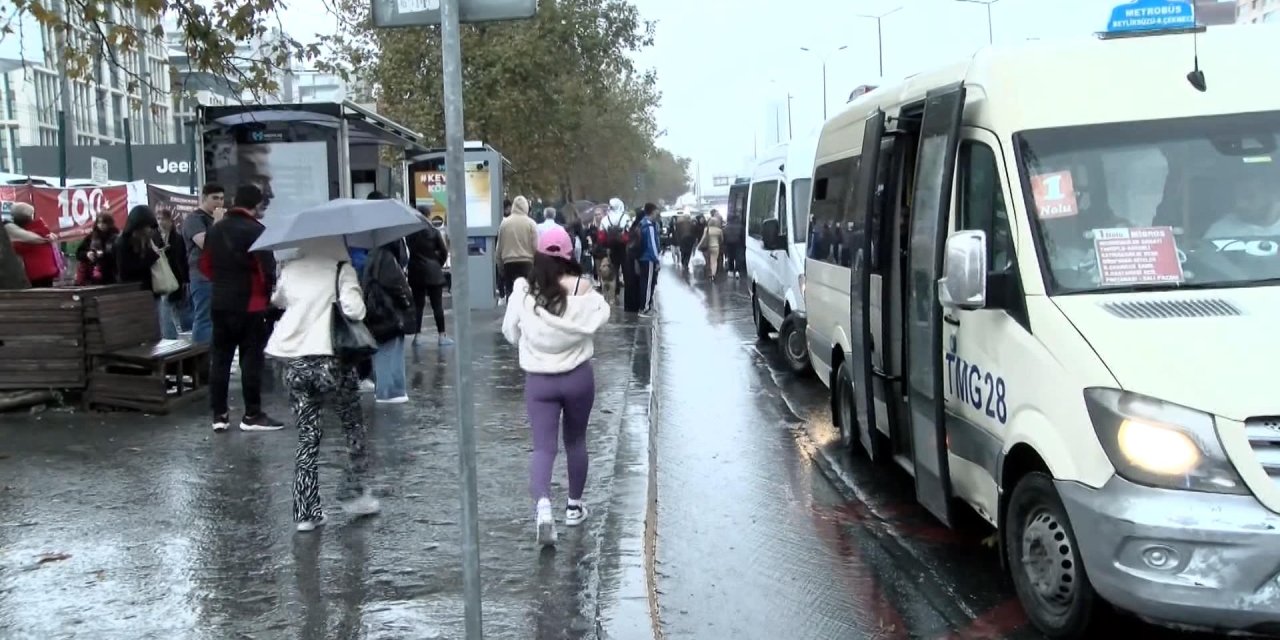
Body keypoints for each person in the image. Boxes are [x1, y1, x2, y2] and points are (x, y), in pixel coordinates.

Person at [501, 226, 610, 547]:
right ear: (569, 254)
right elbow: (601, 317)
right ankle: (574, 507)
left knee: (543, 447)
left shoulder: (524, 291)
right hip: (578, 377)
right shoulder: (583, 287)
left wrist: (530, 341)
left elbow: (510, 331)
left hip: (539, 382)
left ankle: (543, 508)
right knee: (576, 441)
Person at [265, 236, 379, 532]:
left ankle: (306, 512)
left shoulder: (292, 269)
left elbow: (278, 300)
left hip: (293, 362)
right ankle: (354, 493)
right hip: (331, 361)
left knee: (307, 435)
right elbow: (354, 311)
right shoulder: (342, 269)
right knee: (352, 425)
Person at [201, 184, 284, 433]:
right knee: (250, 360)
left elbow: (205, 267)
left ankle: (219, 415)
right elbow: (267, 272)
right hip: (251, 304)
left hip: (220, 302)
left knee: (221, 359)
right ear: (256, 205)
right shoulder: (257, 231)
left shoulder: (215, 230)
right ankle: (252, 414)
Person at [363, 236, 415, 403]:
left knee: (382, 352)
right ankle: (391, 391)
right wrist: (407, 302)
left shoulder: (372, 256)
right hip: (389, 314)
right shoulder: (387, 258)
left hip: (377, 314)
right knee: (391, 352)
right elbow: (398, 286)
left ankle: (386, 390)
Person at [183, 184, 226, 344]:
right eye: (215, 198)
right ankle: (201, 361)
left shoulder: (218, 219)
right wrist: (217, 222)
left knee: (217, 320)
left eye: (221, 198)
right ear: (204, 198)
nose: (219, 202)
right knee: (204, 319)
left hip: (218, 276)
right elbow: (206, 244)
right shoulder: (195, 219)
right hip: (202, 277)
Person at [406, 205, 454, 347]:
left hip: (416, 272)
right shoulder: (433, 232)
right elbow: (444, 252)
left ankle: (417, 337)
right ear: (427, 215)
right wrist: (436, 263)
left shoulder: (410, 232)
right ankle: (442, 336)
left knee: (418, 305)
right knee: (437, 305)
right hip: (433, 272)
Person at [495, 195, 538, 300]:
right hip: (527, 263)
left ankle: (512, 311)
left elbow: (499, 248)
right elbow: (536, 247)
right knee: (528, 294)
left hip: (509, 264)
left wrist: (500, 267)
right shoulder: (531, 224)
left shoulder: (504, 224)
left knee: (511, 294)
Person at [156, 208, 190, 339]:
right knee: (166, 309)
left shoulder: (178, 238)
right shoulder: (155, 237)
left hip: (177, 277)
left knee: (181, 309)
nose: (161, 222)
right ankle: (170, 337)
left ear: (170, 221)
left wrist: (186, 279)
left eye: (163, 219)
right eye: (158, 219)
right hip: (162, 278)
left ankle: (187, 334)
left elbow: (182, 259)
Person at [9, 203, 60, 288]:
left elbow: (17, 248)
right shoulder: (39, 228)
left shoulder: (30, 233)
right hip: (45, 270)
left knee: (39, 297)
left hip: (38, 272)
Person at [115, 206, 161, 293]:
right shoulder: (123, 243)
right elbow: (125, 271)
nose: (150, 230)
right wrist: (152, 257)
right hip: (132, 291)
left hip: (149, 290)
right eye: (148, 226)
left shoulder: (148, 241)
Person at [75, 212, 119, 285]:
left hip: (110, 276)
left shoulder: (116, 237)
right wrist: (87, 254)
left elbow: (117, 255)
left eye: (104, 223)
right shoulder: (91, 237)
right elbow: (79, 253)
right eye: (99, 222)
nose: (101, 225)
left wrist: (104, 255)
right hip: (92, 276)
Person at [637, 204, 662, 316]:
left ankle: (645, 305)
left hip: (643, 257)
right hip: (649, 259)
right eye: (656, 211)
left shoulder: (642, 223)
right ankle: (645, 308)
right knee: (647, 284)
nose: (658, 213)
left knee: (644, 282)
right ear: (652, 211)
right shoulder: (649, 226)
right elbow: (652, 245)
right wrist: (657, 260)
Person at [697, 214, 725, 280]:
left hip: (707, 247)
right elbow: (722, 240)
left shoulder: (706, 229)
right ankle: (713, 275)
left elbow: (703, 238)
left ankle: (708, 273)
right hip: (715, 247)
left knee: (708, 261)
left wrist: (698, 245)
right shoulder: (719, 230)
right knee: (714, 261)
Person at [724, 212, 745, 278]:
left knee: (730, 257)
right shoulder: (740, 226)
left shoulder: (726, 227)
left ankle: (730, 271)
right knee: (738, 258)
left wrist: (725, 244)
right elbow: (743, 236)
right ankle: (737, 272)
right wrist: (743, 244)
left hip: (729, 244)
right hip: (738, 244)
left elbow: (724, 236)